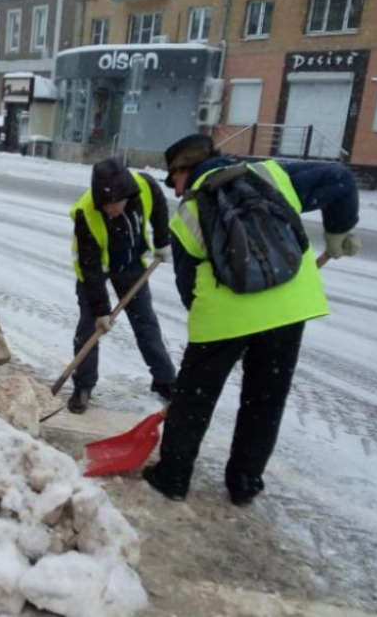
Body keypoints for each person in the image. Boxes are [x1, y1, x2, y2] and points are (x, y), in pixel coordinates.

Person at [143, 134, 361, 505]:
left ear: (184, 170)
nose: (176, 192)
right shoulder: (271, 174)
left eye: (174, 181)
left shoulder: (189, 214)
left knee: (193, 400)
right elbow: (340, 178)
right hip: (288, 309)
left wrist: (209, 340)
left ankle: (173, 477)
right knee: (264, 400)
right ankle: (244, 484)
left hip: (224, 319)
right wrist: (338, 229)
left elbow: (187, 287)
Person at [68, 157, 178, 414]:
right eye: (104, 205)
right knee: (89, 328)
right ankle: (83, 385)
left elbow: (160, 208)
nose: (109, 209)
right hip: (93, 273)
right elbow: (90, 267)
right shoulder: (87, 213)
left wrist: (162, 240)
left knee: (146, 323)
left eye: (114, 204)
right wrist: (101, 310)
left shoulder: (145, 187)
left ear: (127, 195)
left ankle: (165, 380)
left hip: (130, 266)